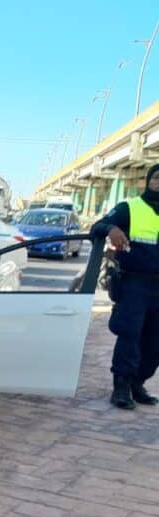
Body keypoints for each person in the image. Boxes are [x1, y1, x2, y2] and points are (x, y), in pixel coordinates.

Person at [91, 162, 159, 409]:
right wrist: (112, 228)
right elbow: (97, 226)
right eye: (156, 178)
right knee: (130, 336)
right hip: (134, 283)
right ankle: (121, 387)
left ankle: (137, 383)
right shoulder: (130, 207)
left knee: (154, 343)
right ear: (149, 181)